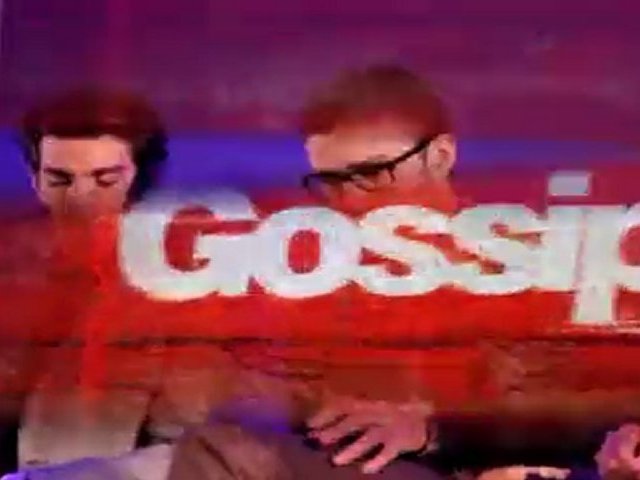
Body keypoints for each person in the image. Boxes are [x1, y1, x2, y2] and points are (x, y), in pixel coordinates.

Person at [0, 88, 173, 479]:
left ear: (139, 180)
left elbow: (198, 449)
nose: (80, 198)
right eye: (59, 179)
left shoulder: (179, 293)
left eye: (105, 180)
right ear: (35, 180)